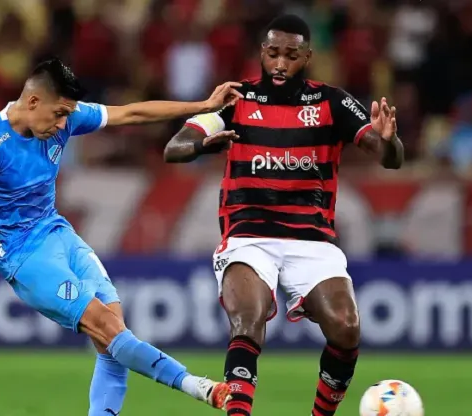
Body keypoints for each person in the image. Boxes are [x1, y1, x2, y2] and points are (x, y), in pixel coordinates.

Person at [0, 58, 243, 415]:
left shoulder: (63, 117)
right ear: (34, 102)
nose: (65, 124)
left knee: (112, 339)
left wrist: (204, 106)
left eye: (68, 114)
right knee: (109, 331)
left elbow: (130, 114)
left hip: (58, 233)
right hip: (23, 257)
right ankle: (201, 388)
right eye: (59, 114)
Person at [163, 14, 403, 416]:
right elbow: (175, 147)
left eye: (290, 56)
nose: (279, 64)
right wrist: (206, 143)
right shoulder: (236, 100)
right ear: (262, 52)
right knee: (248, 319)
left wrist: (389, 140)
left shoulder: (332, 102)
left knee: (346, 328)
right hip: (248, 237)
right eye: (272, 53)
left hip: (311, 241)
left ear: (307, 57)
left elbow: (390, 159)